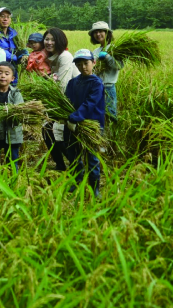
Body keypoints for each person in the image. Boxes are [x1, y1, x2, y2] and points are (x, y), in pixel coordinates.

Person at [64, 49, 104, 197]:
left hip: (91, 124)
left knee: (91, 157)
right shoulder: (73, 82)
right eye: (79, 64)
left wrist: (75, 117)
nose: (83, 67)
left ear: (93, 63)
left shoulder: (96, 83)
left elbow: (90, 103)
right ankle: (77, 182)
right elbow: (67, 101)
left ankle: (95, 187)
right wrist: (66, 117)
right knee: (73, 155)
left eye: (86, 63)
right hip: (72, 125)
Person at [41, 28, 80, 171]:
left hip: (69, 100)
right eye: (47, 39)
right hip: (59, 99)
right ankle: (61, 164)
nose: (49, 42)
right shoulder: (50, 57)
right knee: (47, 130)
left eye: (53, 39)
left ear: (60, 41)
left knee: (57, 133)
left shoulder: (65, 56)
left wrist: (55, 107)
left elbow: (63, 83)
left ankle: (75, 165)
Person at [89, 21, 123, 120]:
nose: (98, 34)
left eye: (100, 31)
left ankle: (110, 135)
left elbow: (119, 65)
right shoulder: (95, 51)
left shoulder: (115, 48)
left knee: (110, 116)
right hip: (96, 88)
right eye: (95, 32)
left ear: (107, 33)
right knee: (98, 116)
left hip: (108, 88)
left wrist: (107, 57)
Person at [0, 7, 28, 82]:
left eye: (8, 17)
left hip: (12, 72)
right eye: (2, 16)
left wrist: (24, 55)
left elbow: (19, 49)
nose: (5, 19)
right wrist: (14, 57)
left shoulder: (15, 34)